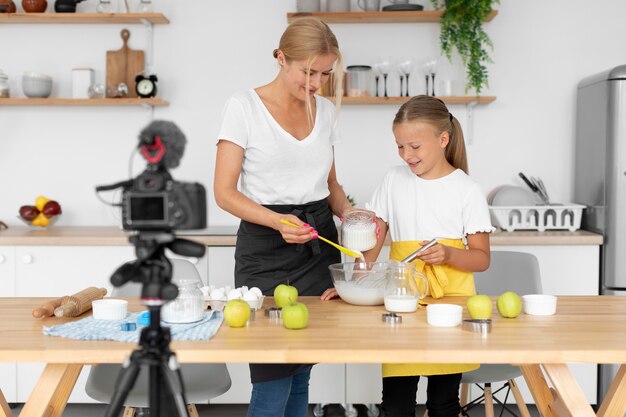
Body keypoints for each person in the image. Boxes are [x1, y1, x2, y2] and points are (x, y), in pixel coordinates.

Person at [214, 17, 353, 417]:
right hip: (265, 245)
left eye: (325, 74)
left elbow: (330, 184)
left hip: (317, 243)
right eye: (308, 72)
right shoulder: (244, 107)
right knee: (272, 372)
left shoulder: (325, 111)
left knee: (300, 368)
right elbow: (224, 192)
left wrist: (352, 214)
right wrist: (277, 222)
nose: (316, 83)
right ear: (280, 58)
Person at [323, 95, 494, 417]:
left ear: (443, 139)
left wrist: (448, 254)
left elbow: (482, 259)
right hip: (402, 300)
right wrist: (354, 285)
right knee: (397, 404)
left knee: (443, 403)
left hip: (449, 306)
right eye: (400, 147)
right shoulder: (393, 180)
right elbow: (377, 235)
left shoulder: (467, 189)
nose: (406, 155)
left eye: (414, 146)